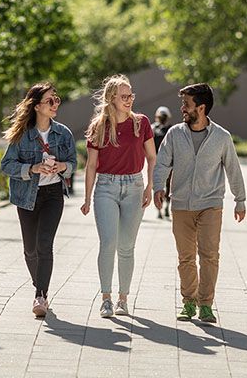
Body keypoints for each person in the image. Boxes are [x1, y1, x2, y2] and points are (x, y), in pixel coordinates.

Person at [153, 83, 246, 324]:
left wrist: (240, 199)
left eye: (187, 104)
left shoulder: (221, 137)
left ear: (201, 107)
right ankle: (188, 302)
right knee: (185, 257)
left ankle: (205, 304)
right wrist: (158, 186)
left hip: (210, 204)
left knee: (209, 256)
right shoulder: (174, 134)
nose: (182, 108)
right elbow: (162, 162)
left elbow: (233, 168)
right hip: (181, 204)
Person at [81, 74, 156, 318]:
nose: (129, 100)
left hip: (134, 187)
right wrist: (86, 197)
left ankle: (124, 298)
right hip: (106, 188)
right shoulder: (98, 126)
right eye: (124, 96)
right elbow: (91, 165)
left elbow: (152, 158)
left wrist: (149, 187)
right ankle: (106, 299)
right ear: (111, 98)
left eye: (131, 95)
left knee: (126, 246)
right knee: (108, 243)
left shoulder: (141, 123)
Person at [0, 82, 76, 318]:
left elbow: (73, 164)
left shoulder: (63, 133)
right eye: (50, 101)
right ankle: (39, 285)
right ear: (36, 106)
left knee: (44, 245)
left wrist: (63, 166)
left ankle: (40, 295)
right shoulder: (21, 134)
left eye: (57, 99)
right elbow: (6, 165)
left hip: (53, 195)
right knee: (30, 250)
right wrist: (32, 168)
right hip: (26, 197)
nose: (55, 104)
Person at [151, 106, 173, 219]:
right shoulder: (153, 129)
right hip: (155, 161)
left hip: (169, 161)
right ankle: (159, 209)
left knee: (169, 185)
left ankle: (167, 207)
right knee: (157, 185)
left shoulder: (171, 130)